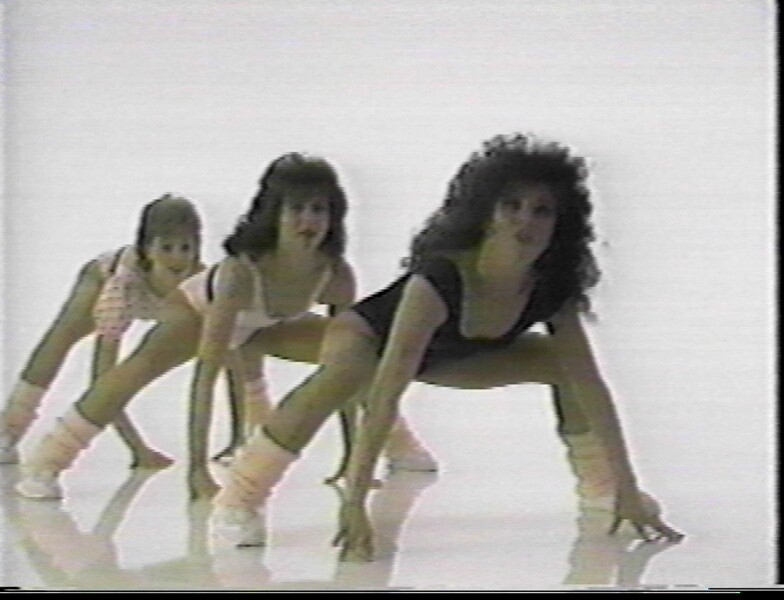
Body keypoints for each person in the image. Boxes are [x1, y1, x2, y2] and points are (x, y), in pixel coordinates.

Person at [209, 133, 685, 558]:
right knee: (345, 375)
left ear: (561, 224)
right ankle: (238, 497)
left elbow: (592, 387)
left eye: (542, 210)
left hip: (453, 356)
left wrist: (627, 486)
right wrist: (355, 502)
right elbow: (385, 393)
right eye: (512, 206)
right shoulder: (438, 280)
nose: (525, 220)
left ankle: (600, 491)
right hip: (370, 338)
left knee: (561, 362)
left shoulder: (551, 288)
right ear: (487, 214)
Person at [13, 153, 434, 502]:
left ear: (334, 215)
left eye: (319, 209)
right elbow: (207, 374)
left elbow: (342, 370)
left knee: (359, 355)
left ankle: (398, 447)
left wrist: (352, 459)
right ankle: (46, 462)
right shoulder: (239, 273)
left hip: (265, 325)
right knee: (131, 375)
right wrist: (197, 470)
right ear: (273, 214)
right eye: (296, 209)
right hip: (198, 314)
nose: (308, 220)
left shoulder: (336, 273)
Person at [0, 194, 203, 469]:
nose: (177, 258)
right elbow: (103, 379)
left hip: (156, 301)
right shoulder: (120, 288)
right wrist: (137, 449)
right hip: (102, 278)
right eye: (166, 247)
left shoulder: (199, 282)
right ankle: (8, 429)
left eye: (185, 247)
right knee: (61, 339)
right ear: (147, 250)